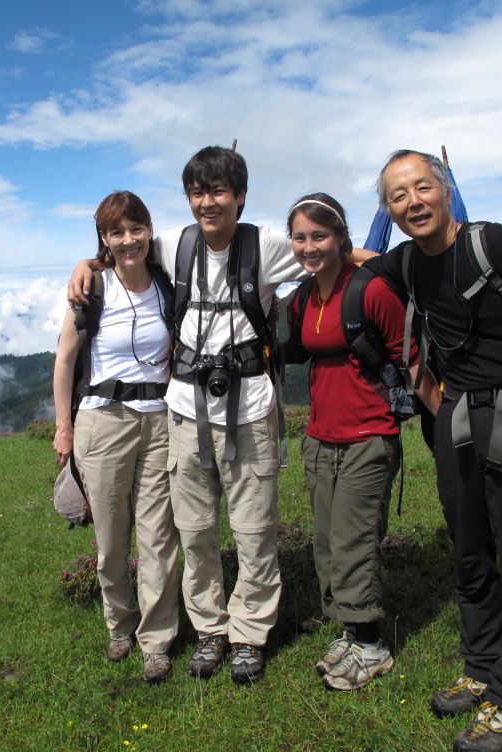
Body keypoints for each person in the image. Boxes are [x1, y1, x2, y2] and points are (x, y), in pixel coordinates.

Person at [69, 146, 375, 684]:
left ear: (239, 196)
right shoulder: (175, 245)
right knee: (195, 529)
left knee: (255, 530)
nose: (207, 203)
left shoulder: (268, 246)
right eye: (197, 192)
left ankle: (249, 634)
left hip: (252, 409)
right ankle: (210, 629)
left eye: (217, 192)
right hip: (185, 411)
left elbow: (337, 251)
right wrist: (86, 263)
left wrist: (398, 255)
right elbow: (123, 251)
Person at [365, 151, 502, 752]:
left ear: (443, 189)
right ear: (387, 208)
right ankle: (482, 663)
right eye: (396, 196)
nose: (412, 203)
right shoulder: (406, 263)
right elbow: (352, 261)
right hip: (459, 419)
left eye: (421, 188)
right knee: (469, 550)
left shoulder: (499, 246)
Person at [284, 193, 441, 691]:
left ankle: (371, 644)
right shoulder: (303, 298)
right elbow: (287, 349)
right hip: (319, 435)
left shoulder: (369, 290)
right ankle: (351, 631)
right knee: (329, 542)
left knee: (355, 540)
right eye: (301, 237)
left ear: (341, 238)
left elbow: (410, 358)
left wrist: (448, 421)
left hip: (369, 433)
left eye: (320, 236)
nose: (310, 247)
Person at [52, 191, 180, 683]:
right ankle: (119, 625)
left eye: (136, 229)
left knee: (159, 537)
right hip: (102, 420)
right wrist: (64, 427)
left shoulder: (167, 282)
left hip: (160, 420)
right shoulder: (92, 289)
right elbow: (65, 361)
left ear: (149, 230)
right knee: (110, 538)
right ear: (103, 239)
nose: (128, 240)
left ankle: (156, 639)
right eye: (116, 232)